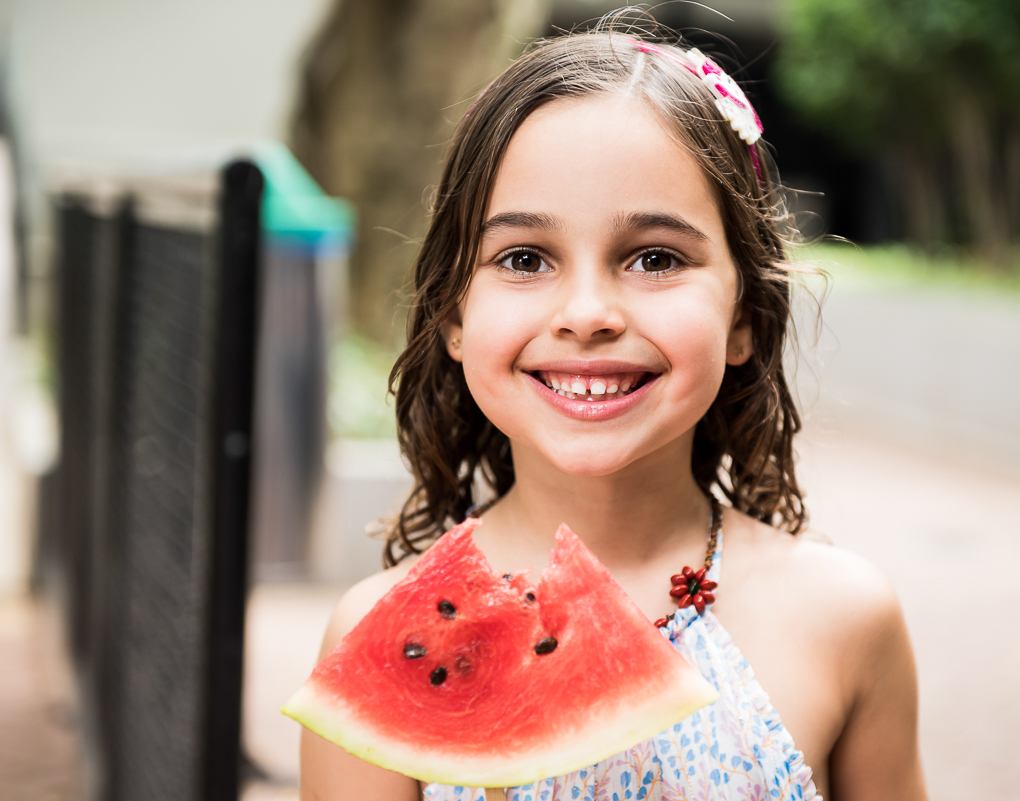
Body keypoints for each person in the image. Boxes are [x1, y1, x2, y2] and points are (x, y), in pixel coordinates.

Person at [301, 18, 927, 801]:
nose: (588, 313)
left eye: (655, 258)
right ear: (454, 315)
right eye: (524, 258)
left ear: (743, 315)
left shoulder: (845, 618)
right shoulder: (377, 635)